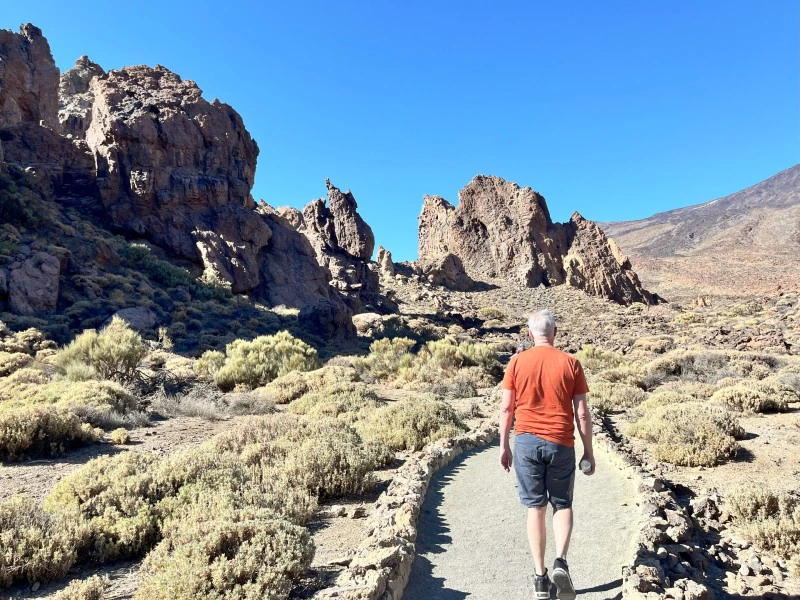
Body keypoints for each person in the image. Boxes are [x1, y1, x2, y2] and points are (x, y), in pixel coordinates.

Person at [498, 309, 594, 600]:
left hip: (526, 442)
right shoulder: (571, 363)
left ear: (530, 334)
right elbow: (582, 413)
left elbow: (506, 409)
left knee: (535, 508)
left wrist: (504, 445)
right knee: (562, 505)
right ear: (555, 332)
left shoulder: (516, 362)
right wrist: (588, 450)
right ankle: (560, 562)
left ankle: (540, 579)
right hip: (561, 443)